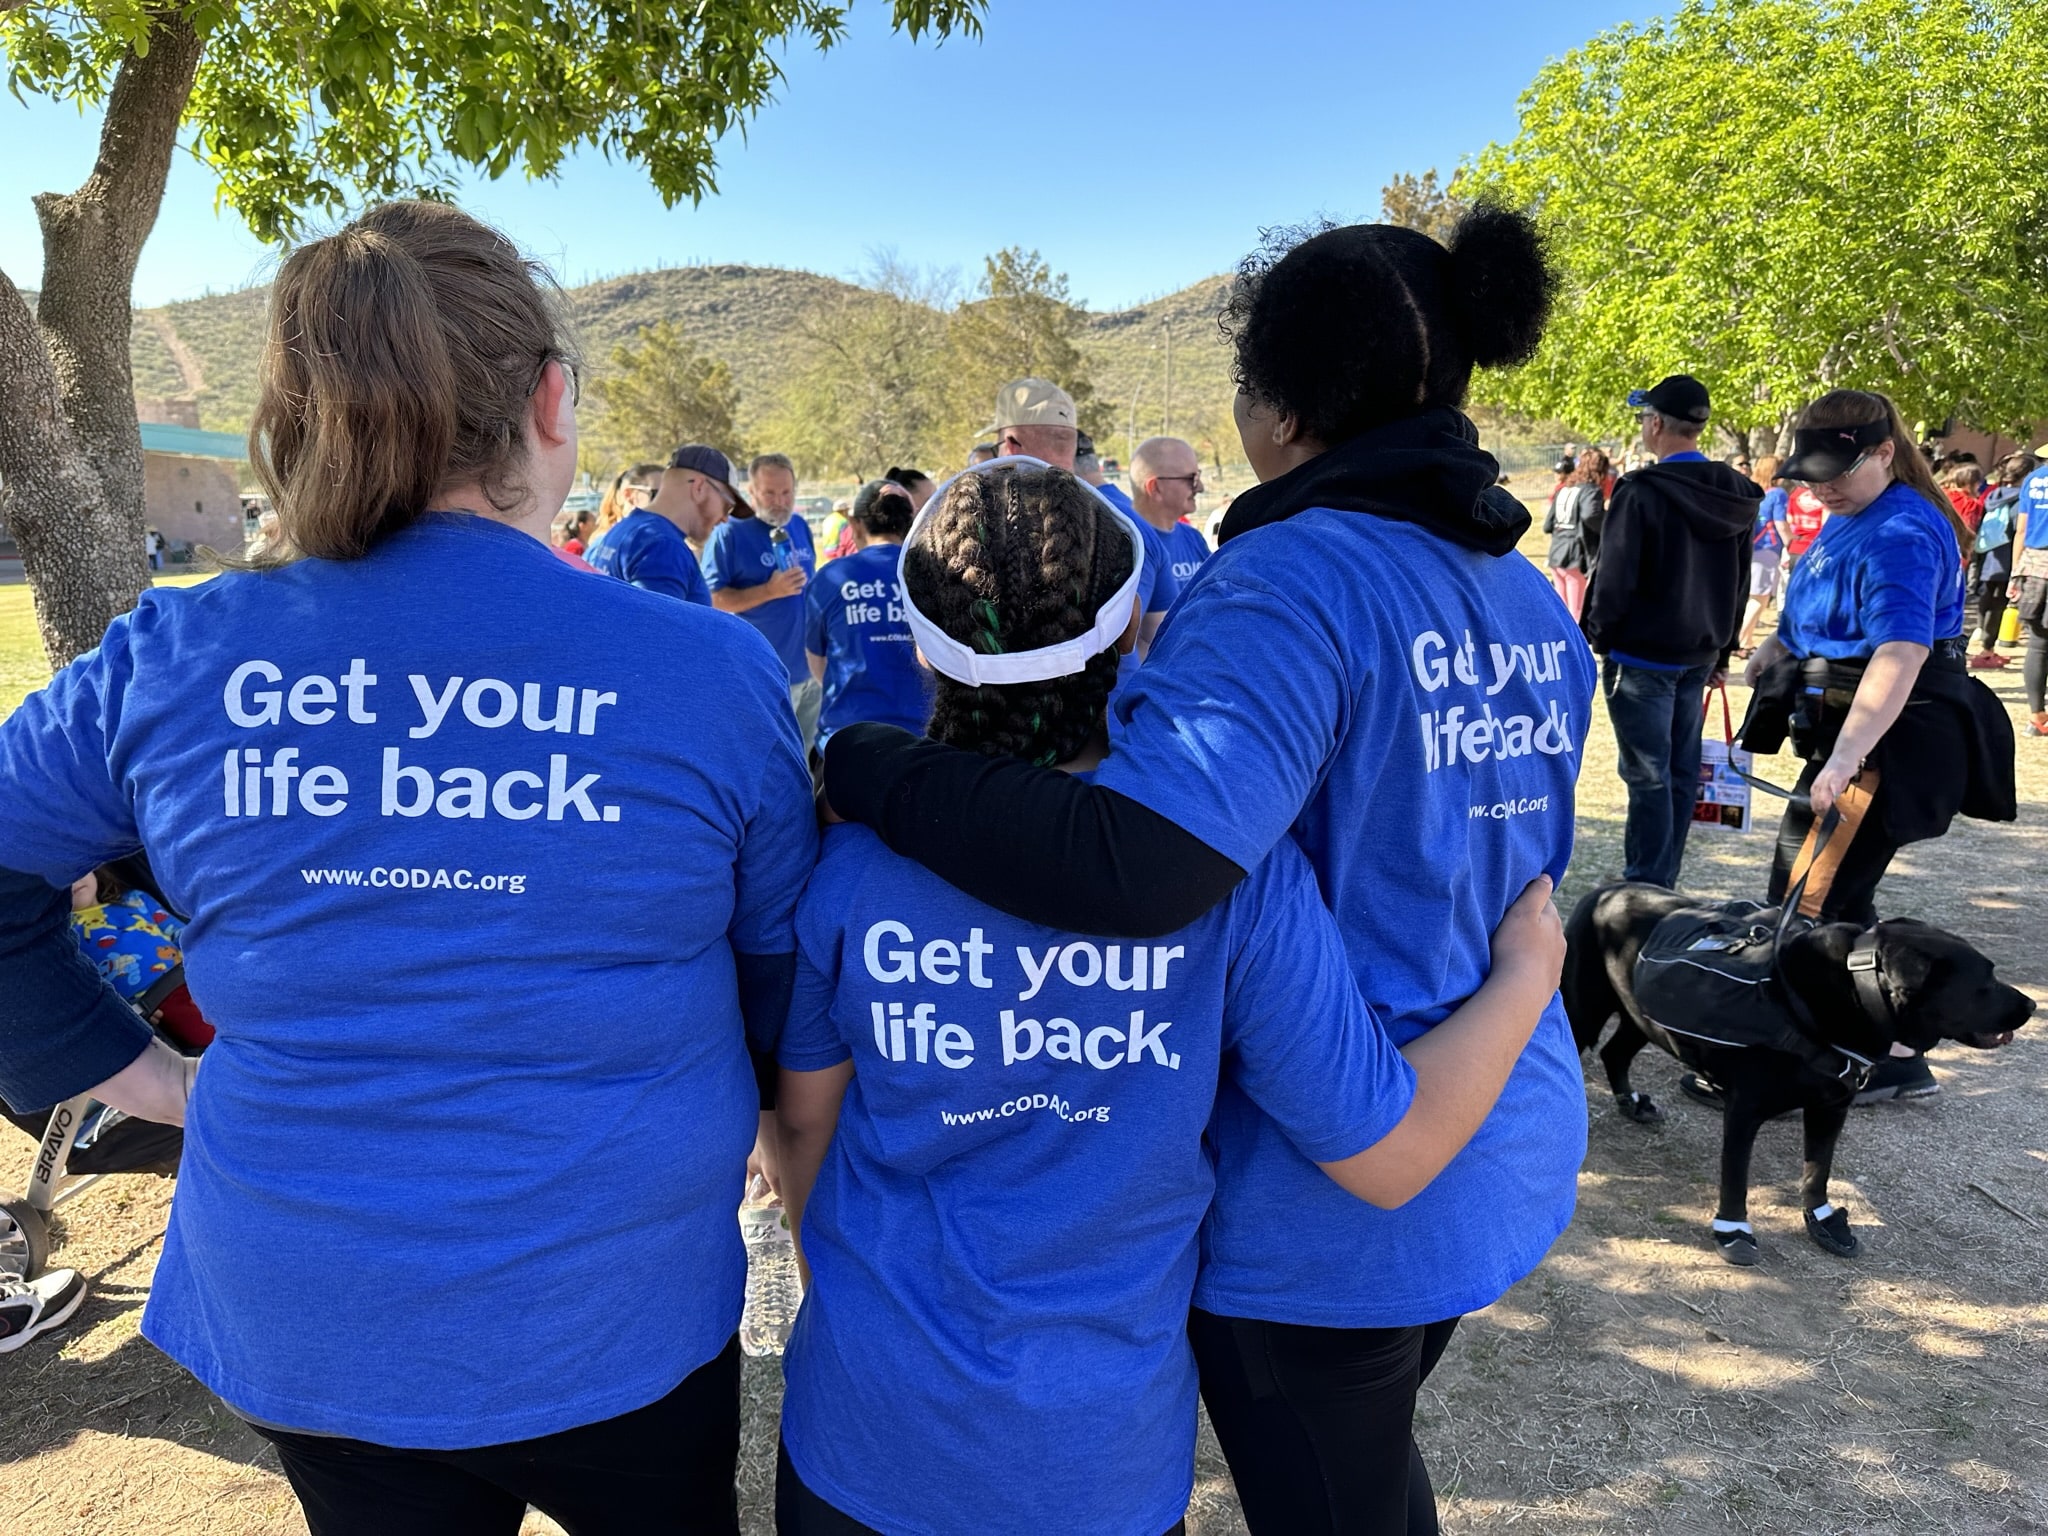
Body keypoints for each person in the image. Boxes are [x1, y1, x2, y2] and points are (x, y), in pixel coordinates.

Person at [0, 201, 816, 1532]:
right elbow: (783, 975)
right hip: (616, 1301)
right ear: (552, 401)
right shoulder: (709, 673)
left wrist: (136, 1079)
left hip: (318, 1314)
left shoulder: (180, 658)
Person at [822, 207, 1593, 1535]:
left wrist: (870, 769)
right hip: (1498, 1140)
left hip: (1338, 1199)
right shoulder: (1513, 589)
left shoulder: (1291, 579)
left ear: (1277, 408)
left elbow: (1137, 867)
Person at [1741, 389, 2013, 1102]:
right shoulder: (1850, 517)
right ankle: (1881, 1048)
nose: (1819, 485)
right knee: (1831, 899)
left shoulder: (1900, 531)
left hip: (1882, 740)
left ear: (1884, 452)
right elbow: (1821, 609)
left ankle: (1848, 1057)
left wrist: (1846, 756)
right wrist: (1777, 645)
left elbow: (1899, 652)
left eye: (1835, 469)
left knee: (1808, 904)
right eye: (1811, 471)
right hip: (1846, 731)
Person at [1581, 374, 1760, 889]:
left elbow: (1614, 577)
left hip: (1643, 655)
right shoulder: (1737, 492)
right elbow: (1741, 580)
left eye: (1644, 419)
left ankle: (1646, 879)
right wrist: (1724, 648)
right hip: (1699, 653)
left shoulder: (1641, 492)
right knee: (1678, 771)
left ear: (1656, 424)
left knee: (1648, 775)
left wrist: (1600, 635)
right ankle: (1662, 875)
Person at [703, 453, 822, 750]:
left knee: (806, 757)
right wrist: (769, 591)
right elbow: (712, 600)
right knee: (771, 762)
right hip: (763, 676)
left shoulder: (799, 526)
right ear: (752, 492)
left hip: (809, 673)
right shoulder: (728, 532)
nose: (779, 501)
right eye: (769, 493)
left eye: (786, 492)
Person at [803, 479, 929, 754]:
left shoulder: (830, 578)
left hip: (847, 744)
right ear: (910, 523)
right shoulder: (936, 574)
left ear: (857, 525)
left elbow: (818, 663)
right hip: (923, 744)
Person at [587, 443, 741, 606]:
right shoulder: (663, 546)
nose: (725, 518)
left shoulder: (623, 530)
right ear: (699, 488)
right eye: (727, 506)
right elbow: (655, 629)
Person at [1130, 436, 1214, 588]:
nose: (1200, 487)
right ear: (1155, 488)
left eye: (1198, 476)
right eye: (1191, 478)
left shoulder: (1193, 538)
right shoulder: (1130, 547)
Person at [1968, 456, 2027, 670]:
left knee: (1986, 598)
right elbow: (2019, 530)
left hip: (1987, 554)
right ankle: (1987, 649)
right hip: (2008, 556)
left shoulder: (1993, 494)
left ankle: (1982, 638)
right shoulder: (2020, 500)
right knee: (1999, 603)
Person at [1738, 456, 1790, 653]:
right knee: (1760, 597)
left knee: (1749, 595)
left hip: (1748, 547)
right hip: (1767, 548)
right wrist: (1791, 544)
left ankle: (1745, 638)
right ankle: (1743, 641)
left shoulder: (1751, 491)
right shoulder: (1778, 494)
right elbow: (1780, 524)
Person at [1542, 449, 1602, 621]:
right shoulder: (1586, 492)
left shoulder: (1562, 492)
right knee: (1577, 609)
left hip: (1556, 552)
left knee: (1562, 608)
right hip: (1573, 553)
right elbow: (1589, 516)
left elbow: (1547, 526)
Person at [2014, 439, 2048, 737]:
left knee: (2037, 645)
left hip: (2033, 565)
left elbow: (2021, 529)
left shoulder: (2033, 480)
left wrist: (2016, 571)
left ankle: (2036, 716)